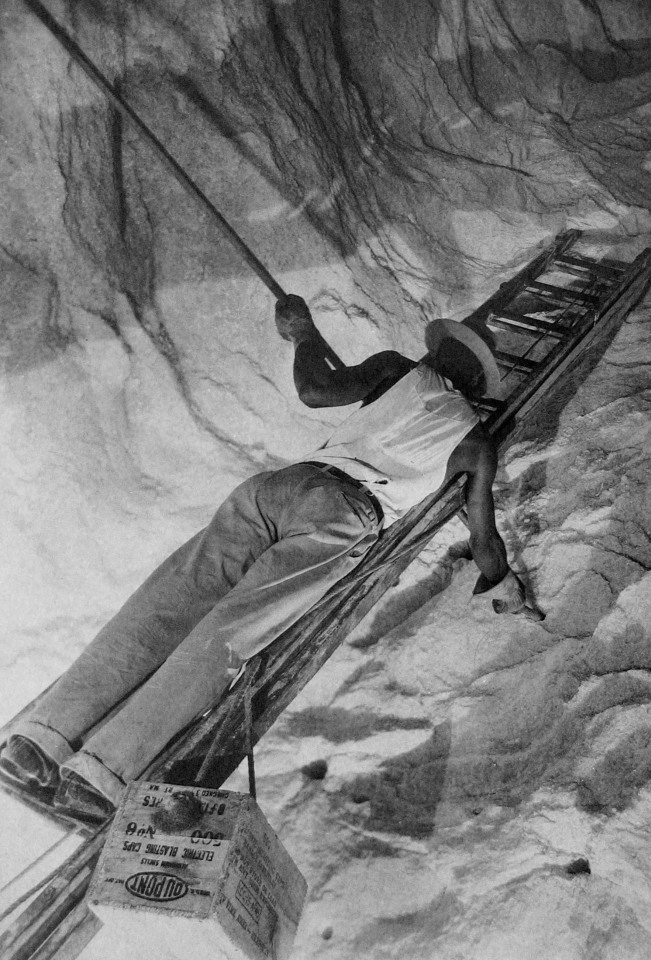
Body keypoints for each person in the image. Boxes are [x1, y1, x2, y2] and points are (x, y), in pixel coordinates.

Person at [0, 295, 540, 819]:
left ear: (439, 356)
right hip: (346, 515)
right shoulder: (476, 443)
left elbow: (314, 389)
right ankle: (102, 773)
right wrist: (504, 586)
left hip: (282, 485)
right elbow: (485, 543)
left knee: (166, 604)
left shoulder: (397, 370)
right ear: (475, 384)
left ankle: (40, 739)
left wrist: (302, 332)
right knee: (227, 635)